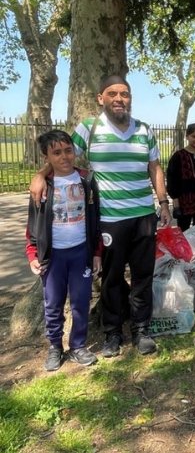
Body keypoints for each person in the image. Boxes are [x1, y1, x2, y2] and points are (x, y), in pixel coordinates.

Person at [30, 74, 171, 358]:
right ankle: (112, 333)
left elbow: (155, 168)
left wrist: (163, 202)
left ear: (130, 99)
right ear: (101, 98)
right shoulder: (89, 128)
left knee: (144, 275)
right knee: (112, 277)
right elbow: (63, 157)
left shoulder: (144, 130)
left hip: (143, 215)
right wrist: (40, 174)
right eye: (113, 94)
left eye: (125, 94)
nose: (119, 99)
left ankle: (142, 329)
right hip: (108, 219)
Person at [25, 130, 102, 371]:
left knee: (81, 301)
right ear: (46, 156)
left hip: (81, 254)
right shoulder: (42, 186)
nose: (64, 157)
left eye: (68, 150)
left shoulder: (87, 181)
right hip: (53, 256)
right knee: (53, 303)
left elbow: (96, 220)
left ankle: (78, 345)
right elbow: (32, 225)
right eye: (56, 152)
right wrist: (32, 254)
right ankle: (55, 347)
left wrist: (97, 252)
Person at [166, 123, 195, 231]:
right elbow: (172, 180)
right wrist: (176, 201)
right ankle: (184, 248)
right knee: (184, 230)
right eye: (194, 136)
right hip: (184, 200)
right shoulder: (178, 156)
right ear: (187, 136)